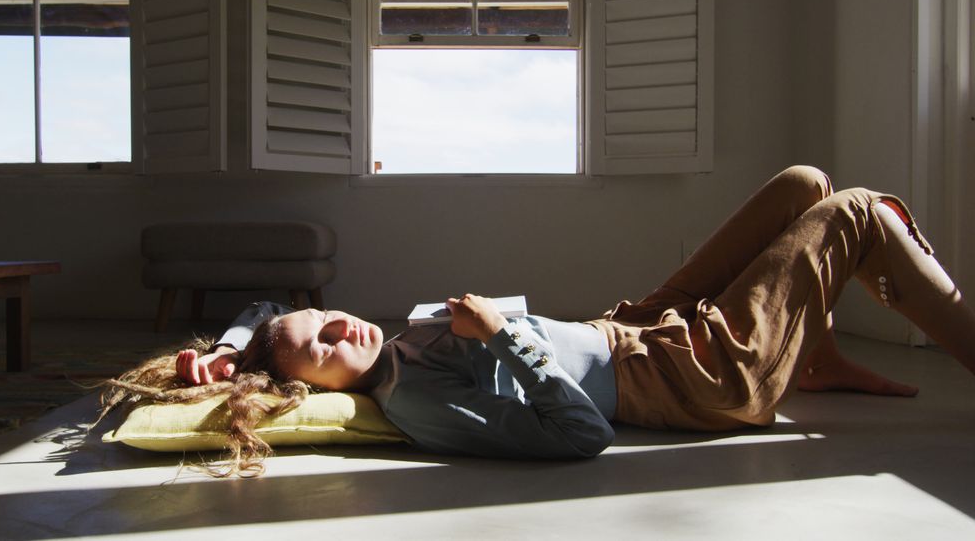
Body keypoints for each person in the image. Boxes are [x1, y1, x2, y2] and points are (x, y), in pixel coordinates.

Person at [105, 166, 975, 475]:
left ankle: (811, 357)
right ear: (312, 390)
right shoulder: (417, 403)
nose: (342, 333)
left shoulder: (385, 343)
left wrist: (224, 353)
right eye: (324, 352)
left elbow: (265, 316)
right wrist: (506, 339)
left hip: (633, 328)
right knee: (854, 210)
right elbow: (579, 435)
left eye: (328, 320)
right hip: (692, 377)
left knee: (803, 185)